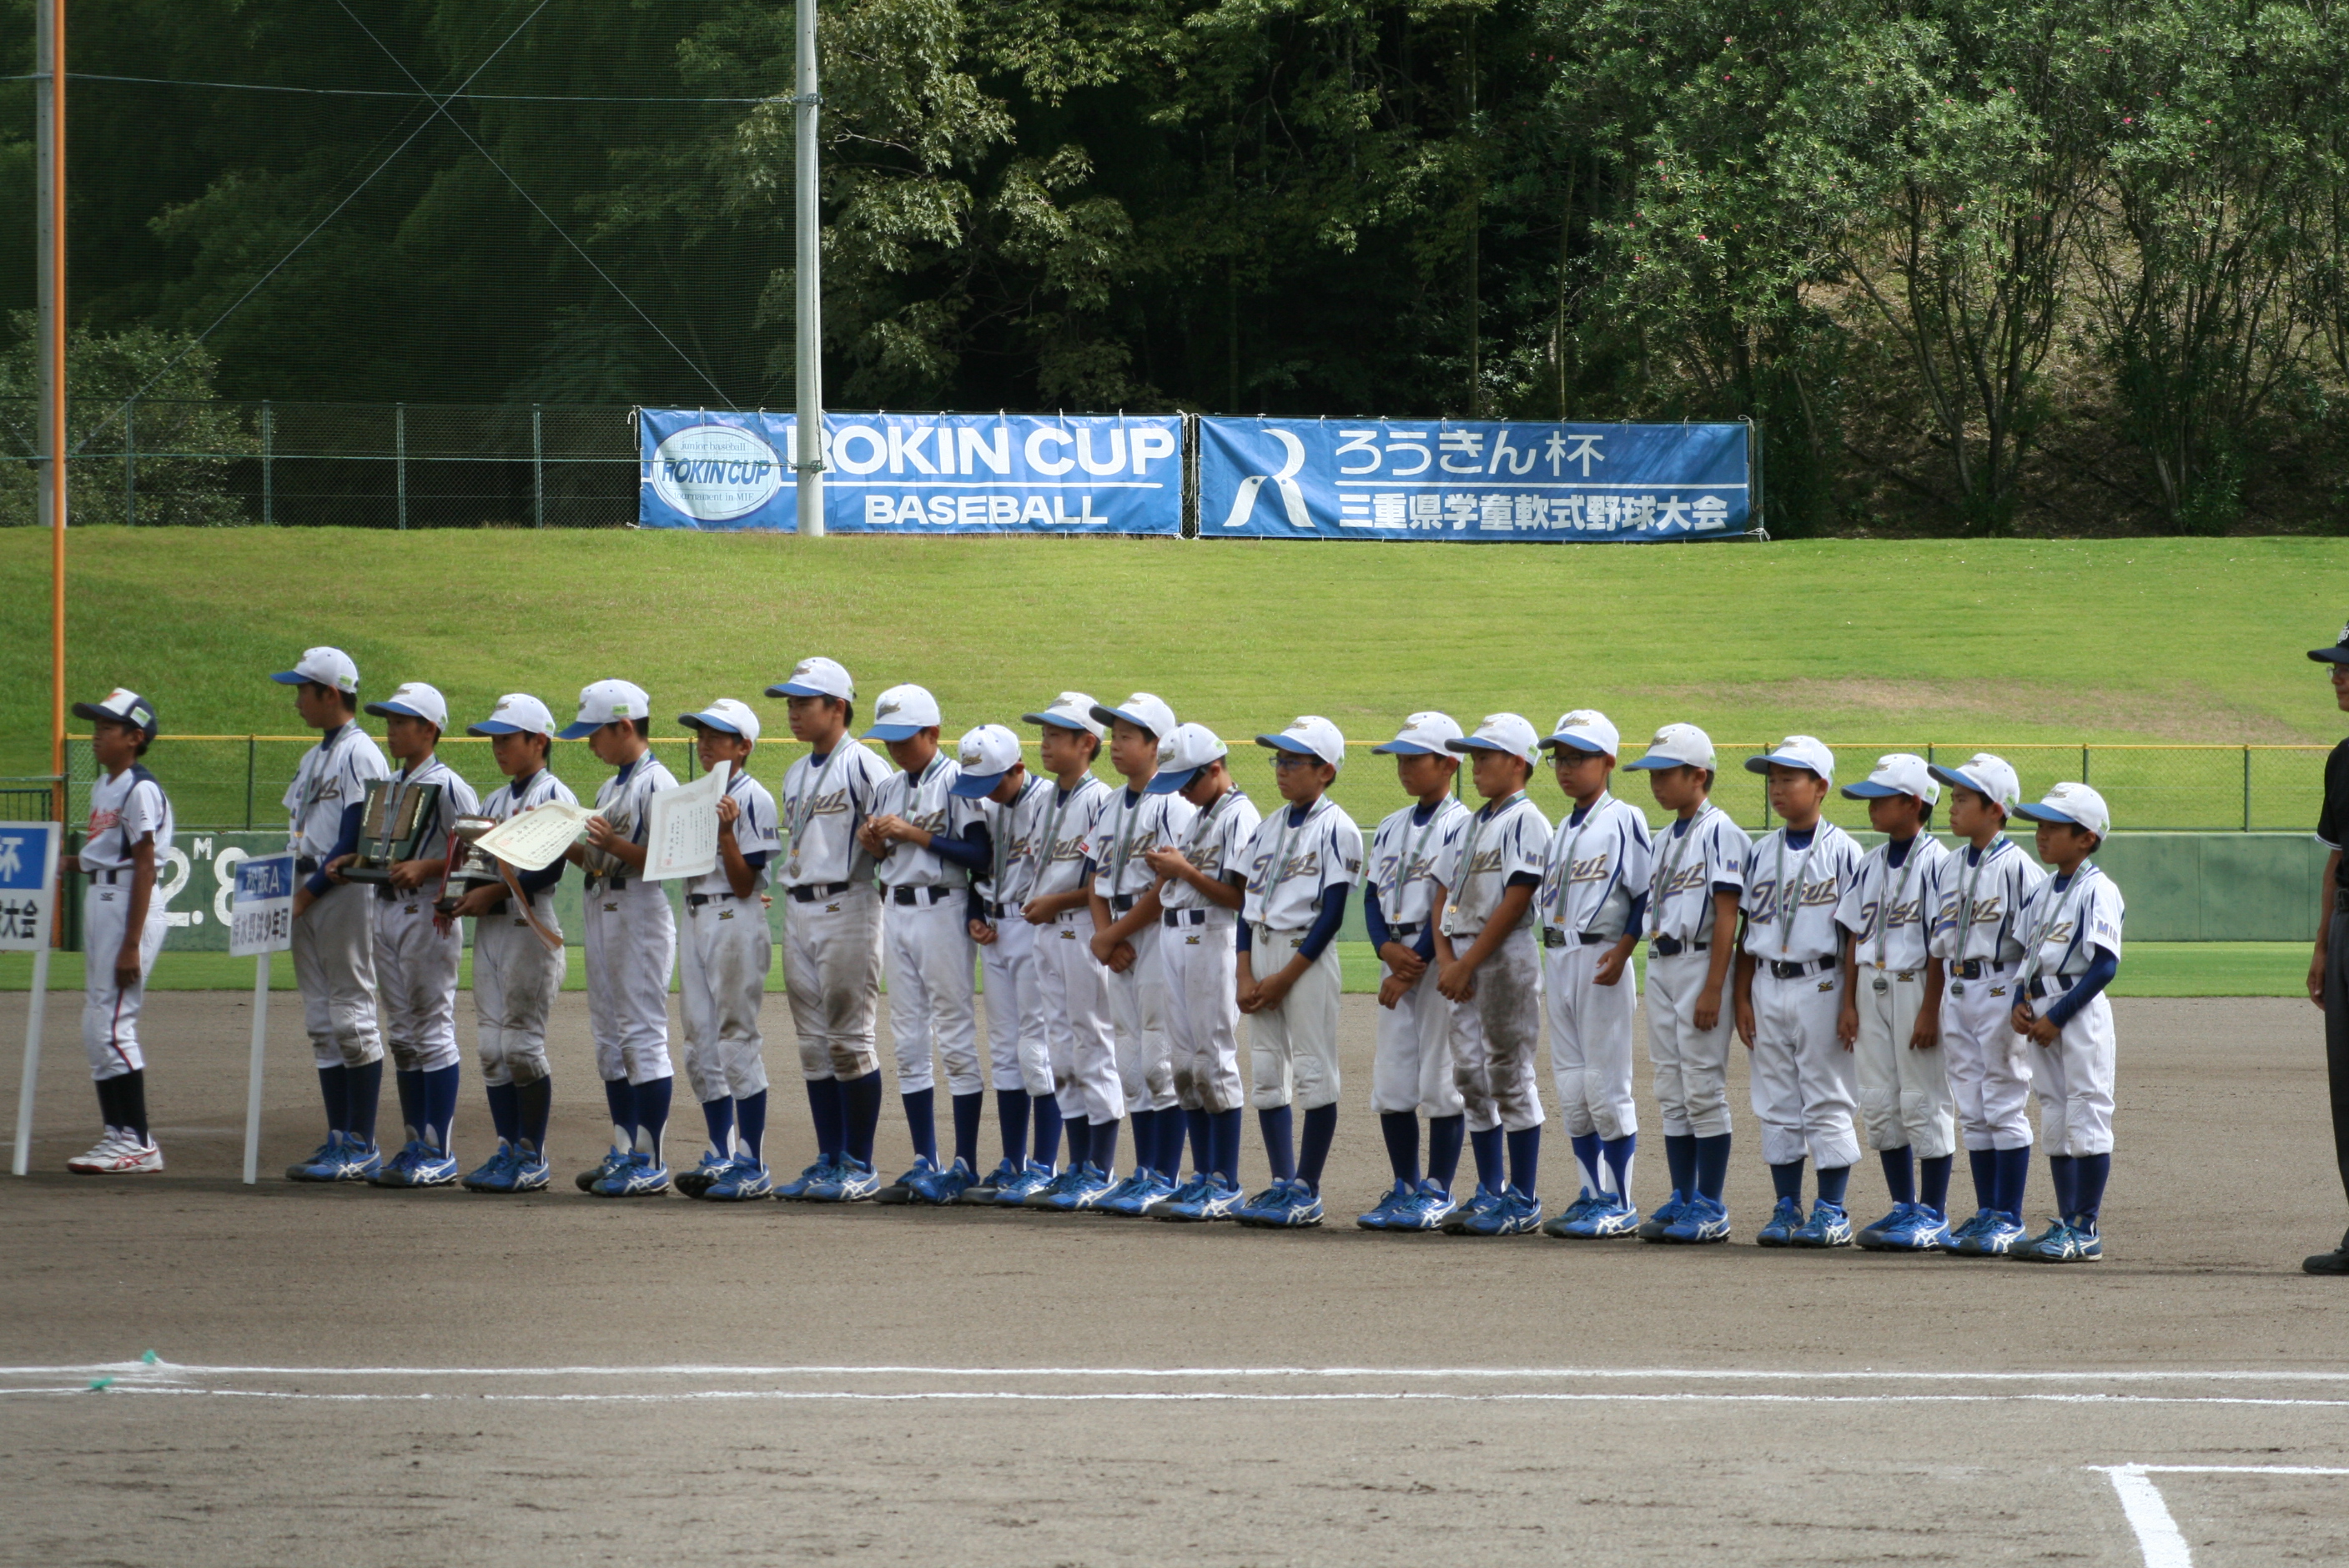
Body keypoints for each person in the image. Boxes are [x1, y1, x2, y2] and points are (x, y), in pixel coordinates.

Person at [859, 683, 992, 1204]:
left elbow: (979, 853)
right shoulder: (889, 787)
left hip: (944, 909)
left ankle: (964, 1164)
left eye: (903, 737)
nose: (893, 747)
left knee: (956, 1035)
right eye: (887, 738)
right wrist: (873, 844)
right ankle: (924, 1159)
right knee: (909, 1038)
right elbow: (878, 857)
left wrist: (914, 834)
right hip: (897, 908)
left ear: (933, 734)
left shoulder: (960, 782)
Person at [766, 656, 892, 1203]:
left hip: (849, 905)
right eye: (790, 703)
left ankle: (859, 1164)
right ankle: (828, 1157)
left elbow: (893, 841)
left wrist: (882, 847)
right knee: (814, 1045)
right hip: (800, 909)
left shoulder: (866, 766)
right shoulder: (795, 772)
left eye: (803, 702)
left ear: (837, 707)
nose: (792, 712)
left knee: (849, 1040)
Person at [1734, 736, 1865, 1249]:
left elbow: (1855, 936)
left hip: (1823, 981)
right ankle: (1787, 1206)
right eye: (1773, 779)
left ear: (1821, 786)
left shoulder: (1846, 852)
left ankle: (1831, 1209)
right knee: (1775, 1099)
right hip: (1767, 981)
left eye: (1790, 778)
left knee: (1827, 1095)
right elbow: (1748, 932)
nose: (1778, 788)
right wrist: (1742, 997)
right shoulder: (1760, 852)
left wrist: (1850, 1002)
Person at [1233, 715, 1362, 1228]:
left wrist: (1287, 974)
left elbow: (1331, 914)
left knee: (1313, 1070)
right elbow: (1247, 905)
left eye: (1293, 761)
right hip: (1261, 950)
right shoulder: (1267, 825)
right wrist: (1244, 972)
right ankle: (1282, 1181)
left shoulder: (1340, 828)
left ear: (1325, 770)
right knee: (1266, 1071)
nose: (1282, 769)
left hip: (1304, 956)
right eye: (1278, 759)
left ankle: (1308, 1188)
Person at [1623, 723, 1749, 1244]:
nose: (1655, 783)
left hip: (1700, 963)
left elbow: (1728, 916)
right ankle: (1683, 1194)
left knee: (1701, 1086)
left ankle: (1711, 1203)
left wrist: (1714, 987)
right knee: (1670, 1086)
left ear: (1699, 775)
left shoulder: (1721, 831)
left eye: (1666, 773)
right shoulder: (1663, 837)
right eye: (1652, 773)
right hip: (1663, 962)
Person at [1533, 711, 1653, 1240]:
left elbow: (1646, 892)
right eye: (1560, 758)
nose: (1565, 768)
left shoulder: (1623, 817)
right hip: (1558, 959)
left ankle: (1621, 1201)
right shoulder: (1562, 827)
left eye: (1578, 757)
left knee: (1606, 1085)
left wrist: (1626, 948)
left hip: (1602, 956)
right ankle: (1590, 1192)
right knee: (1572, 1086)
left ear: (1607, 762)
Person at [1431, 713, 1552, 1237]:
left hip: (1503, 956)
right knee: (1470, 1077)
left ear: (1519, 762)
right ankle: (1490, 1190)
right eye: (1473, 754)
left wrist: (1466, 962)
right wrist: (1445, 960)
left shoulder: (1527, 820)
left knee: (1508, 1072)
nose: (1475, 764)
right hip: (1462, 956)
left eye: (1486, 755)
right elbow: (1442, 893)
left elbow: (1518, 896)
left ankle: (1522, 1198)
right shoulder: (1467, 822)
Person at [274, 646, 391, 1183]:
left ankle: (362, 1143)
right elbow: (299, 831)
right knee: (322, 1022)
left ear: (331, 693)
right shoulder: (313, 756)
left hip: (339, 892)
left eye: (303, 689)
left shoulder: (359, 753)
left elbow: (353, 835)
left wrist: (309, 892)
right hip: (305, 886)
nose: (296, 699)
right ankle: (338, 1139)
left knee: (350, 1013)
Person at [357, 681, 480, 1189]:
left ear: (429, 730)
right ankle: (414, 1142)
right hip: (384, 910)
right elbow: (378, 850)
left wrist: (427, 867)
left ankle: (438, 1149)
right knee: (403, 1036)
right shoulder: (389, 783)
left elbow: (476, 852)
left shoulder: (450, 785)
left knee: (431, 1029)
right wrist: (356, 862)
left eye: (401, 721)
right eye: (388, 720)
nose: (390, 729)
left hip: (428, 915)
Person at [1357, 712, 1475, 1232]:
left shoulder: (1463, 825)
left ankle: (1439, 1190)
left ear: (1449, 764)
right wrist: (1385, 947)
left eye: (1414, 758)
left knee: (1440, 1077)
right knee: (1393, 1080)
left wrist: (1414, 963)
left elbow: (1451, 901)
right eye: (1399, 759)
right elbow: (1369, 894)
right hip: (1398, 958)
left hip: (1438, 962)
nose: (1403, 768)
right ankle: (1405, 1185)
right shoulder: (1389, 825)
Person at [562, 679, 680, 1198]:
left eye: (596, 733)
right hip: (603, 902)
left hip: (639, 908)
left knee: (641, 1035)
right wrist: (559, 844)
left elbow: (671, 861)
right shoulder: (612, 788)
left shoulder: (659, 782)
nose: (590, 743)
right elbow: (596, 858)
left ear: (624, 726)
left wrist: (614, 844)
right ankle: (623, 1147)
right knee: (609, 1039)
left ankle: (649, 1159)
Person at [1139, 722, 1260, 1220]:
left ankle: (1225, 1181)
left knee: (1213, 1059)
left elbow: (1238, 897)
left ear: (1216, 768)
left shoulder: (1240, 815)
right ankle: (1200, 1176)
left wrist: (1184, 871)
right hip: (1176, 935)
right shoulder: (1199, 815)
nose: (1182, 792)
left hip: (1212, 936)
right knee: (1184, 1064)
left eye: (1189, 781)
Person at [452, 694, 573, 1194]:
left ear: (538, 741)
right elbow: (475, 862)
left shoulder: (553, 794)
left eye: (507, 738)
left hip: (529, 923)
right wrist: (456, 893)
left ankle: (532, 1154)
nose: (497, 747)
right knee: (490, 1047)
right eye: (493, 739)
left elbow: (550, 866)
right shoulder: (496, 801)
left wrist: (492, 890)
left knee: (522, 1046)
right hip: (494, 927)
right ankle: (507, 1149)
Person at [1924, 753, 2044, 1256]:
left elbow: (2040, 943)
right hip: (1958, 988)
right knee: (1971, 1107)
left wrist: (2024, 998)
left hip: (1999, 988)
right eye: (1951, 797)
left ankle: (2009, 1217)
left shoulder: (2020, 869)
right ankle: (1986, 1211)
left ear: (1995, 808)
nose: (1951, 807)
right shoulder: (1949, 865)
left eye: (1962, 798)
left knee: (2002, 1100)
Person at [1834, 754, 1955, 1250]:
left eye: (1881, 798)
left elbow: (1940, 945)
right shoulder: (1868, 864)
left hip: (1914, 987)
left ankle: (1934, 1212)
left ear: (1913, 802)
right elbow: (1852, 938)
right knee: (1880, 1101)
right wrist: (1848, 1003)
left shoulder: (1939, 865)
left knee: (1922, 1098)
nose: (1871, 806)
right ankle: (1902, 1206)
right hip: (1870, 984)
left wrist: (1930, 1008)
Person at [1083, 692, 1193, 1213]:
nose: (1116, 745)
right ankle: (1144, 1170)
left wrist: (1113, 934)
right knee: (1128, 1057)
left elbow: (1168, 882)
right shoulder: (1107, 802)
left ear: (1156, 745)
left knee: (1158, 1055)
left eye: (1127, 736)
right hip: (1120, 937)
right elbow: (1095, 877)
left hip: (1157, 932)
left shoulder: (1173, 803)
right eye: (1114, 736)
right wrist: (1105, 936)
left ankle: (1165, 1175)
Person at [2008, 783, 2125, 1263]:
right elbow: (2026, 955)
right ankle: (2065, 1223)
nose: (2042, 835)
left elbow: (2104, 965)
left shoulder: (2099, 888)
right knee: (2055, 1113)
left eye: (2054, 827)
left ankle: (2086, 1226)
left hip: (2077, 1011)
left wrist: (2056, 1016)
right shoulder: (2041, 890)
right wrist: (2020, 998)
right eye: (2040, 826)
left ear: (2086, 837)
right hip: (2043, 1007)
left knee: (2087, 1109)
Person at [1016, 695, 1123, 1212]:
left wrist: (1057, 900)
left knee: (1091, 1042)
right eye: (1044, 733)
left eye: (1057, 734)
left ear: (1088, 743)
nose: (1046, 742)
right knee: (1060, 1047)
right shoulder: (1040, 799)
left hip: (1083, 928)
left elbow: (1105, 880)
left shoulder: (1103, 800)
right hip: (1045, 933)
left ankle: (1100, 1167)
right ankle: (1075, 1165)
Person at [60, 688, 173, 1175]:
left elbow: (144, 865)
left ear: (135, 738)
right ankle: (117, 1135)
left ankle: (139, 1142)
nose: (96, 734)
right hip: (105, 899)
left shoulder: (138, 788)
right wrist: (65, 862)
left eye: (108, 727)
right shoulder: (105, 787)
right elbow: (101, 856)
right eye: (97, 725)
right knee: (97, 1023)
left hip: (130, 902)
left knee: (112, 1024)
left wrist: (131, 944)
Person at [673, 698, 782, 1202]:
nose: (705, 743)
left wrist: (725, 835)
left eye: (717, 735)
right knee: (698, 1041)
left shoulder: (753, 796)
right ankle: (720, 1151)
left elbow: (745, 883)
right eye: (702, 734)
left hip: (733, 919)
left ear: (744, 747)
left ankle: (752, 1162)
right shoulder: (692, 795)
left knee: (736, 1037)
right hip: (694, 913)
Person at [949, 722, 1063, 1202]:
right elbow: (981, 870)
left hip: (1034, 928)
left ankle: (1045, 1164)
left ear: (1019, 766)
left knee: (1037, 1049)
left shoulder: (1049, 804)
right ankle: (1014, 1161)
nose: (985, 792)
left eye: (993, 780)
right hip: (996, 933)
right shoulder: (989, 804)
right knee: (1004, 1051)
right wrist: (976, 914)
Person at [2309, 621, 2349, 1276]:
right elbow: (2337, 859)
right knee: (2347, 1084)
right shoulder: (2342, 758)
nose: (2337, 675)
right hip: (2348, 924)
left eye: (2346, 665)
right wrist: (2321, 947)